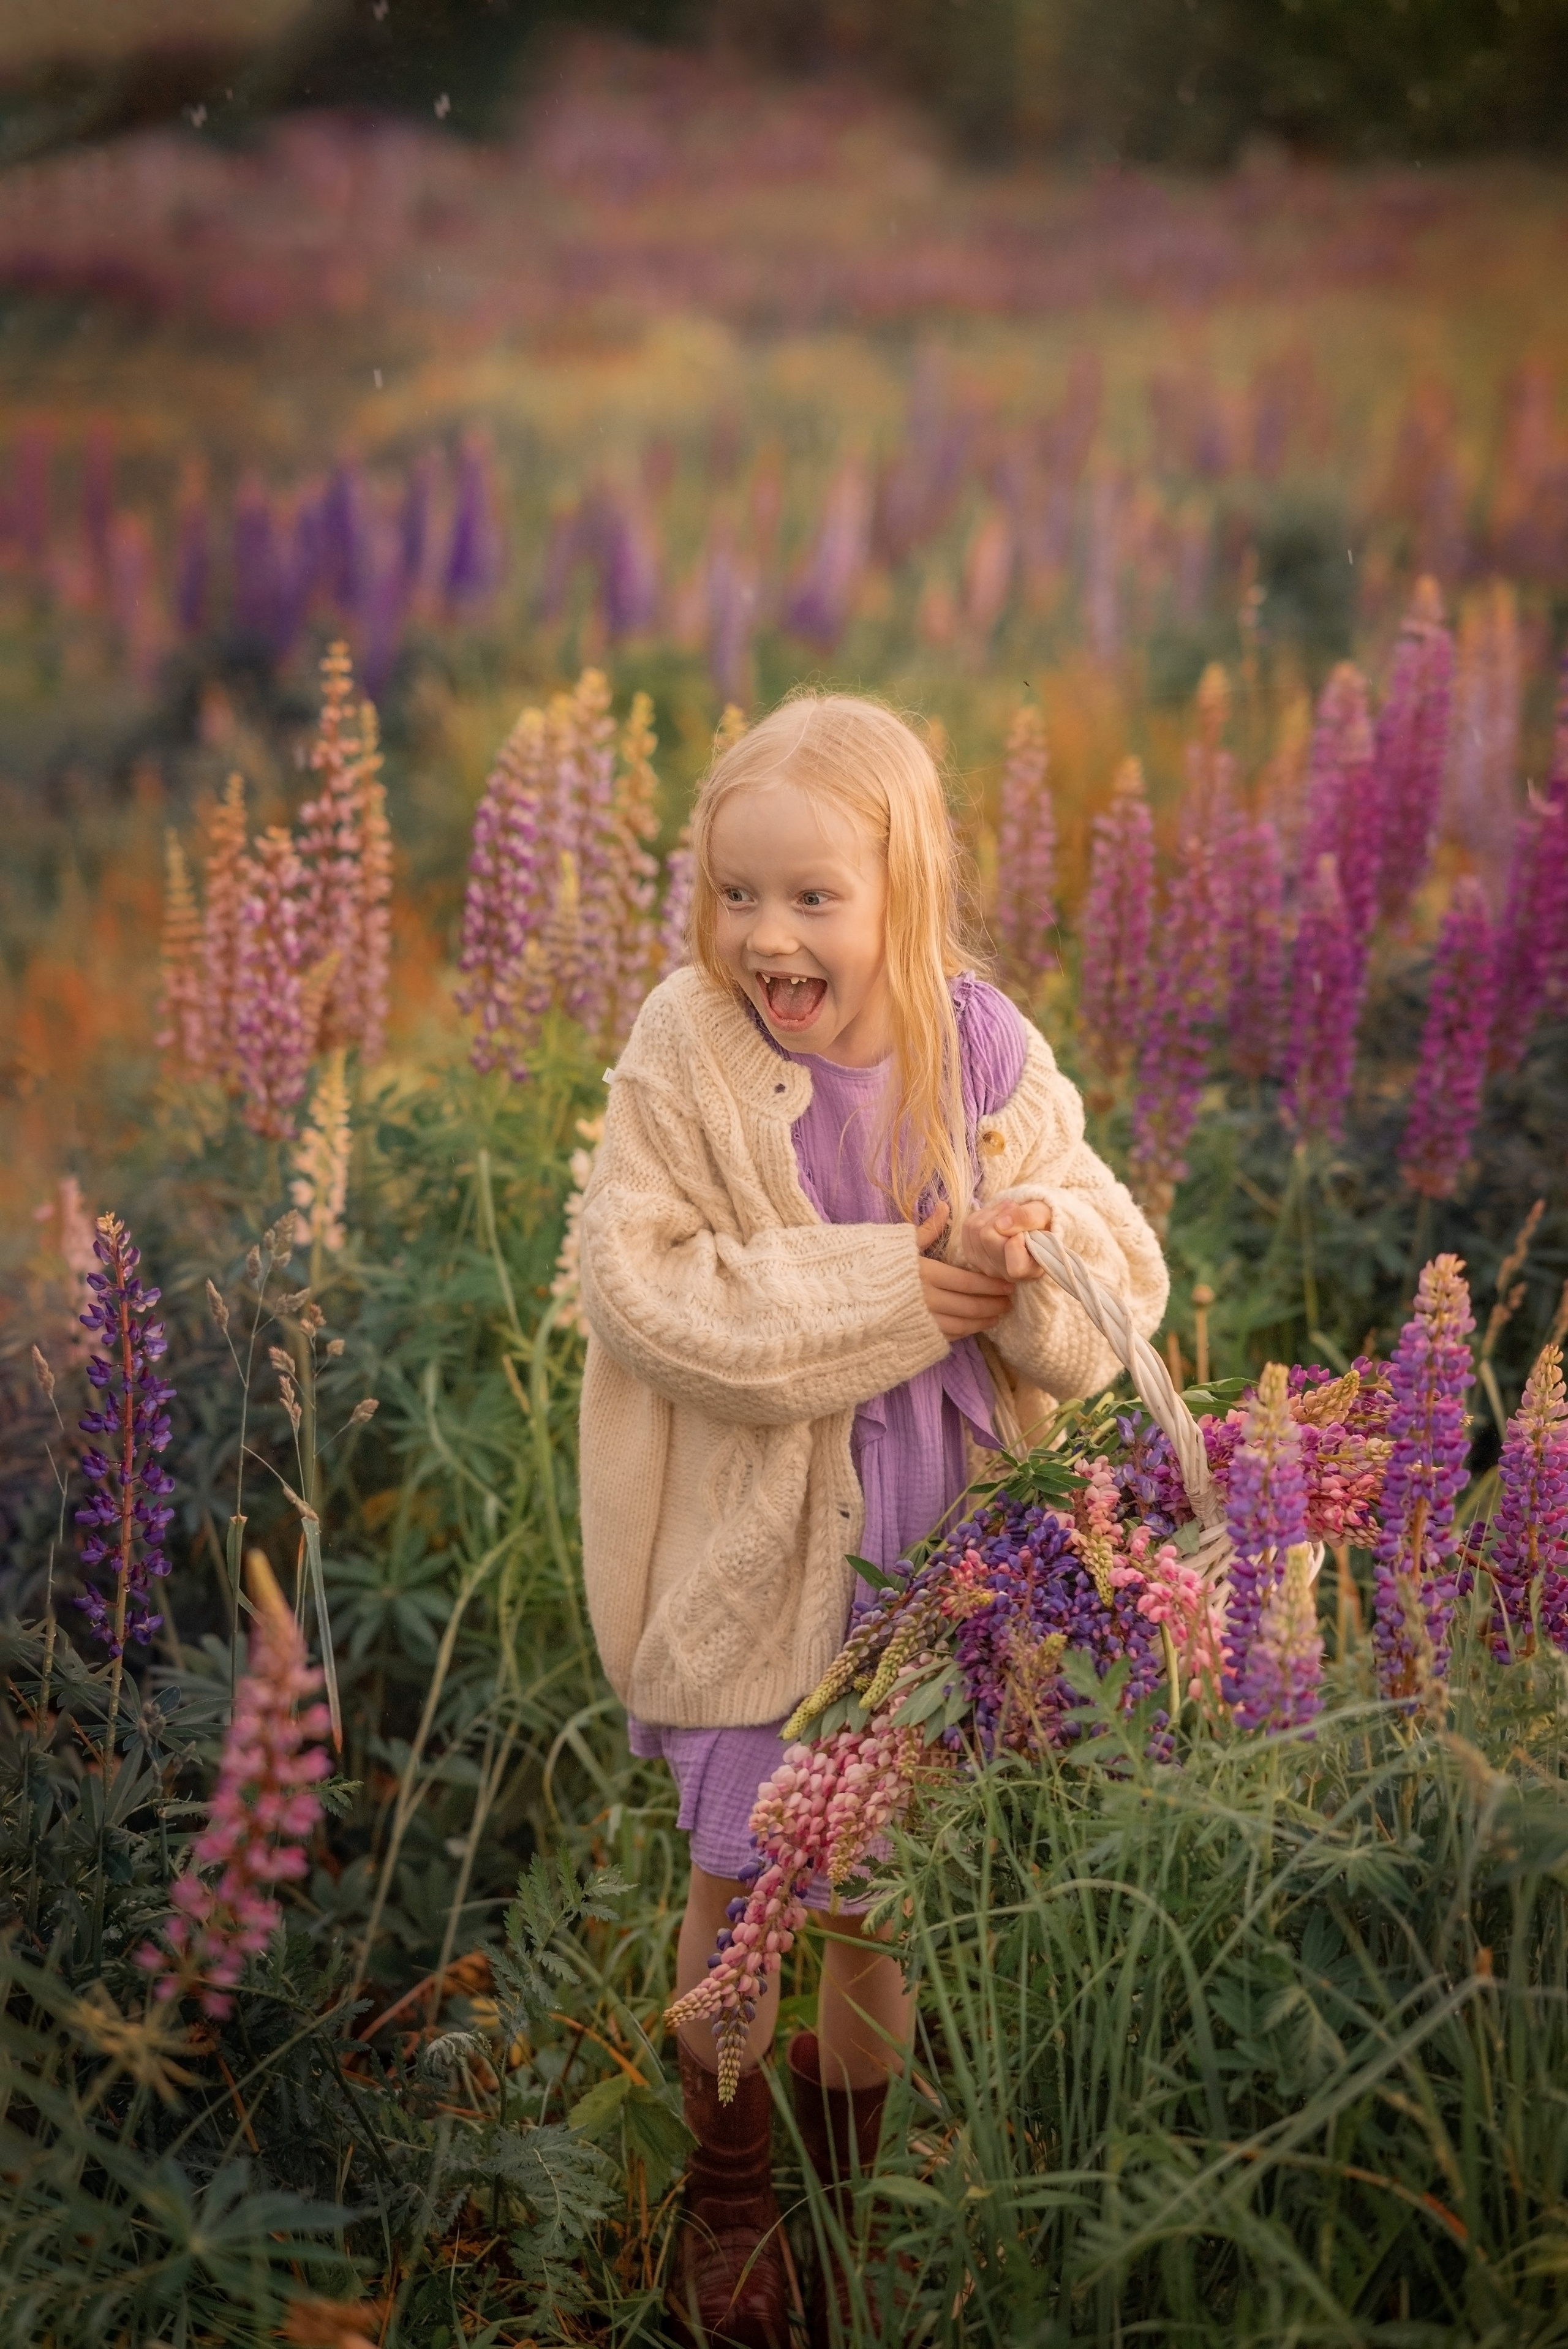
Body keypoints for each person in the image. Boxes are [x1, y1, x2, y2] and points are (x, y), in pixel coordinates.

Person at [577, 692, 1167, 2347]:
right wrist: (905, 1286)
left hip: (933, 1547)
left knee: (874, 1894)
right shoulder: (684, 1048)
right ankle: (735, 2194)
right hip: (755, 1552)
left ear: (902, 890)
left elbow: (1124, 1275)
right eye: (732, 891)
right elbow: (647, 1287)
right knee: (742, 1871)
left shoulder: (984, 1047)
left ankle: (838, 2214)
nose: (765, 933)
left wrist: (1034, 1245)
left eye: (811, 897)